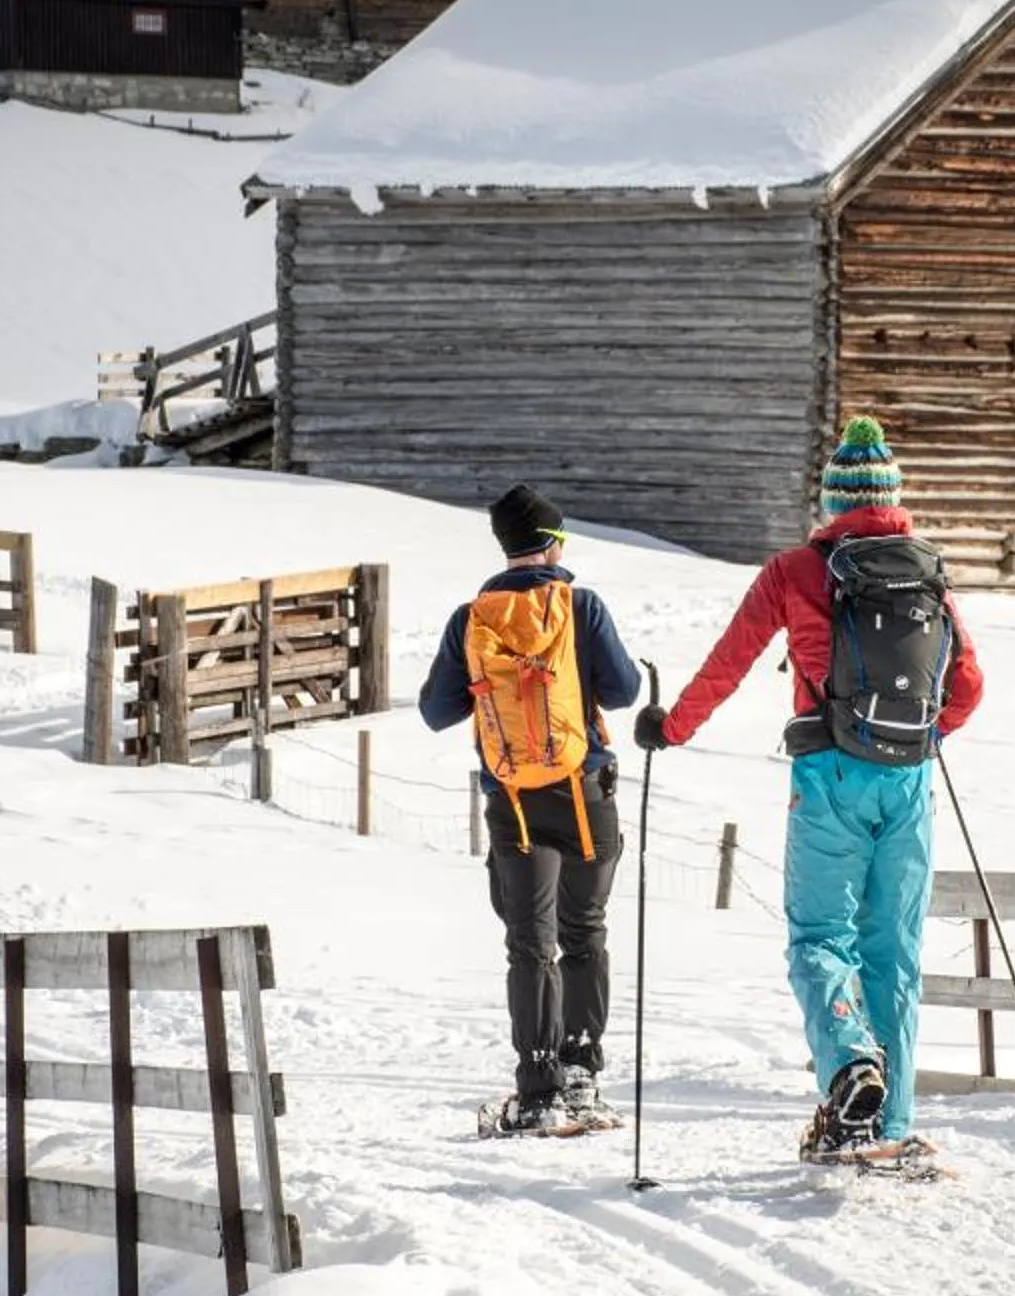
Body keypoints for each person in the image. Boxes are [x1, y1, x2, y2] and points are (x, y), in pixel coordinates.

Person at [637, 418, 983, 1160]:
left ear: (832, 502)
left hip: (828, 774)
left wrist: (671, 730)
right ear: (892, 498)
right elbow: (970, 682)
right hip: (910, 781)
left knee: (822, 936)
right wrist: (926, 739)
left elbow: (728, 664)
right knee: (896, 951)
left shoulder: (795, 572)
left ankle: (852, 1064)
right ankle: (891, 1127)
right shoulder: (928, 572)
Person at [421, 485, 643, 1133]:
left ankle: (539, 1088)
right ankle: (582, 1076)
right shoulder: (582, 606)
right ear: (552, 545)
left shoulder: (472, 619)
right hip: (586, 795)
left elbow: (436, 713)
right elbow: (625, 691)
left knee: (530, 944)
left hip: (514, 803)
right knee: (586, 931)